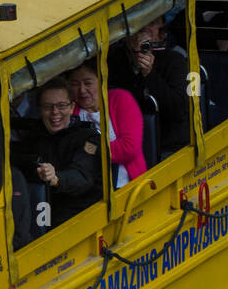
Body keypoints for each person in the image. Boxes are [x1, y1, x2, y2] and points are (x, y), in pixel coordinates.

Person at [16, 80, 101, 227]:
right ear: (39, 110)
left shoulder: (88, 138)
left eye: (61, 105)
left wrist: (56, 178)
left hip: (80, 214)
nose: (55, 112)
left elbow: (82, 177)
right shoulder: (33, 136)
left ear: (72, 107)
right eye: (48, 107)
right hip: (40, 210)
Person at [106, 16, 190, 155]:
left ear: (161, 33)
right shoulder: (114, 61)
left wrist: (149, 74)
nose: (144, 29)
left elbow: (178, 109)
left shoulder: (176, 60)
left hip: (168, 144)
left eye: (151, 23)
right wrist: (135, 54)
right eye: (137, 24)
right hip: (126, 141)